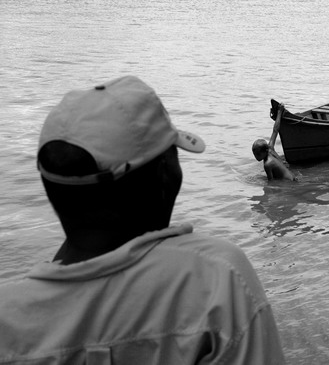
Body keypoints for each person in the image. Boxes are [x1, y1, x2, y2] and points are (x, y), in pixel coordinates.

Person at [0, 76, 285, 364]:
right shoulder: (215, 280)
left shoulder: (7, 318)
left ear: (52, 189)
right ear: (165, 174)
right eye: (174, 155)